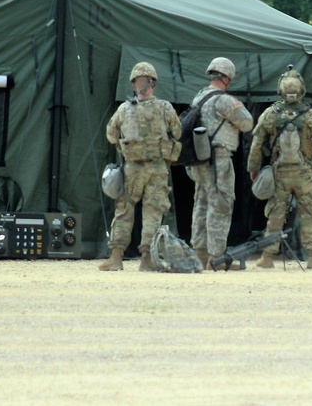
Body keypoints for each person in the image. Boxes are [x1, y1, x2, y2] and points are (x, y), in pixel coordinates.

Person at [101, 62, 181, 271]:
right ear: (153, 82)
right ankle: (147, 259)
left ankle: (116, 257)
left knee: (124, 210)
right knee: (153, 212)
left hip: (133, 169)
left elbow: (111, 135)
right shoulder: (165, 108)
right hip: (158, 169)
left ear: (134, 83)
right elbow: (178, 132)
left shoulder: (124, 109)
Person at [248, 69, 312, 270]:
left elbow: (257, 143)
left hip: (280, 172)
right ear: (302, 90)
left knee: (276, 213)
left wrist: (254, 168)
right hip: (304, 173)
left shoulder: (270, 114)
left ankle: (267, 256)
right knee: (309, 212)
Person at [186, 57, 254, 268]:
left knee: (201, 205)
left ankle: (200, 255)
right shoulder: (224, 100)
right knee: (221, 205)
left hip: (198, 161)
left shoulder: (198, 97)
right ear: (226, 77)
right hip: (219, 160)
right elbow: (247, 122)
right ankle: (216, 259)